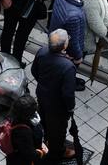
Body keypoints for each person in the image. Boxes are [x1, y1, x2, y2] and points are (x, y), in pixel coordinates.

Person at [31, 28, 77, 163]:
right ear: (64, 45)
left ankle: (43, 142)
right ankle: (55, 154)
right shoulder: (68, 66)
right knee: (58, 132)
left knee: (43, 122)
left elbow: (34, 71)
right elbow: (68, 94)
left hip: (42, 96)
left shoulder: (42, 51)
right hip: (57, 107)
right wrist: (70, 108)